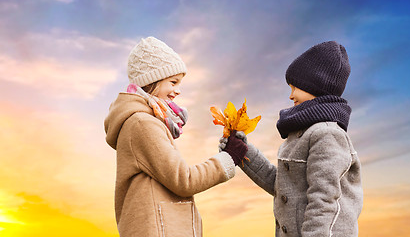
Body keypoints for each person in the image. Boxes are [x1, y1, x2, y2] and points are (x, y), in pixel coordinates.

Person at [104, 37, 247, 237]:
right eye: (173, 82)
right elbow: (183, 180)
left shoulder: (145, 121)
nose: (177, 90)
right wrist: (228, 158)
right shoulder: (142, 124)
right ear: (151, 81)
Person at [221, 41, 363, 236]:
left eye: (295, 87)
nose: (290, 95)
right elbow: (283, 187)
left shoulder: (328, 134)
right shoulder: (300, 134)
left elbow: (323, 200)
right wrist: (243, 153)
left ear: (316, 86)